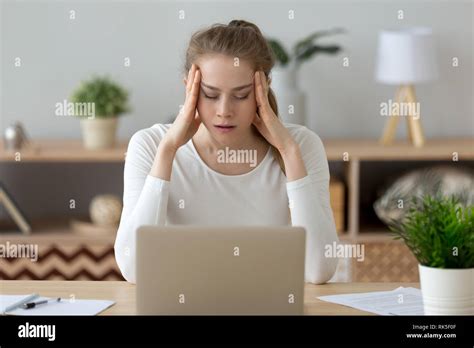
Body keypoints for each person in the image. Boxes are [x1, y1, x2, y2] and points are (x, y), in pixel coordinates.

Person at [114, 19, 339, 284]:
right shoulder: (151, 146)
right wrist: (168, 151)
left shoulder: (301, 145)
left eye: (241, 95)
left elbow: (319, 270)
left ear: (262, 89)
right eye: (210, 94)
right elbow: (134, 269)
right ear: (190, 87)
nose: (224, 110)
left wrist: (289, 151)